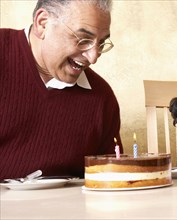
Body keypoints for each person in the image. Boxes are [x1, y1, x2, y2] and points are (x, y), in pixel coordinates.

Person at [0, 0, 123, 180]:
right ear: (42, 24)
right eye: (83, 40)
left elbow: (111, 180)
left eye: (101, 43)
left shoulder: (101, 97)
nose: (93, 57)